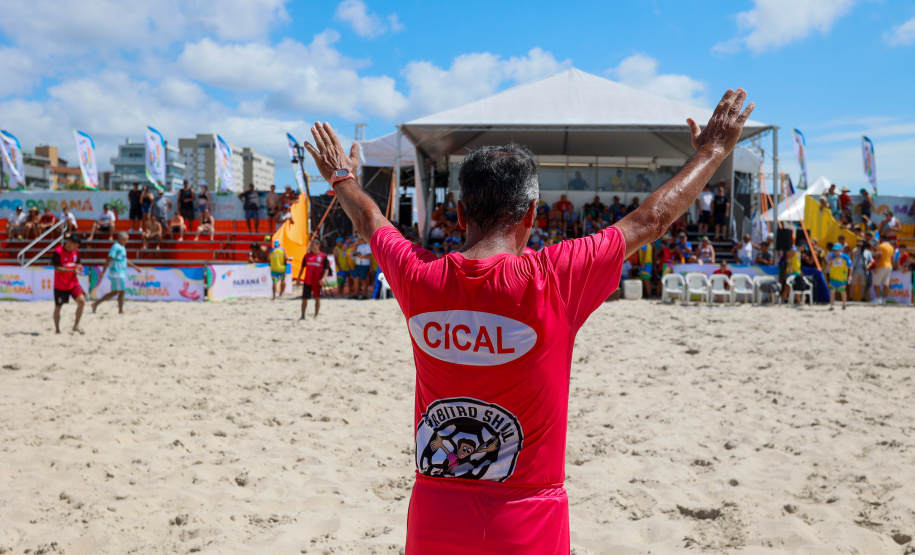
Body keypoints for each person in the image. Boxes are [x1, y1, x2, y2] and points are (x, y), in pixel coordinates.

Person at [301, 87, 754, 550]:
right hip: (529, 512)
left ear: (458, 214)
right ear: (533, 214)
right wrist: (715, 151)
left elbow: (371, 219)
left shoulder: (419, 277)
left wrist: (342, 177)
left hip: (436, 506)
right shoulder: (553, 278)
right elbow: (650, 221)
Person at [92, 232, 141, 314]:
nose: (127, 241)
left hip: (120, 272)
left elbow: (125, 259)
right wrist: (103, 272)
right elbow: (109, 259)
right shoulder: (115, 247)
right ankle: (121, 311)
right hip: (117, 272)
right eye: (126, 239)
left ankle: (96, 304)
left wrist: (135, 267)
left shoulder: (122, 247)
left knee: (114, 292)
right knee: (122, 291)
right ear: (120, 239)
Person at [52, 234, 86, 334]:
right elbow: (56, 268)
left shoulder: (76, 252)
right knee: (58, 307)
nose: (76, 248)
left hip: (73, 283)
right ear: (69, 242)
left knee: (82, 301)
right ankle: (57, 330)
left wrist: (79, 266)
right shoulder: (57, 252)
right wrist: (72, 270)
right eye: (75, 246)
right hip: (60, 285)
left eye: (77, 246)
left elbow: (78, 262)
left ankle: (76, 325)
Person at [296, 238, 331, 319]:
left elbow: (327, 268)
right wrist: (298, 279)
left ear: (318, 245)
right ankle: (302, 315)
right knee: (304, 298)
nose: (310, 246)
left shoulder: (323, 256)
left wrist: (324, 278)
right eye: (310, 245)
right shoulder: (307, 256)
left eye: (312, 245)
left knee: (317, 298)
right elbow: (302, 268)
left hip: (318, 281)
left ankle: (316, 315)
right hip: (307, 281)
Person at [825, 243, 852, 310]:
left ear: (840, 249)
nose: (834, 251)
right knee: (832, 292)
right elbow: (827, 268)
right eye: (834, 250)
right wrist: (829, 261)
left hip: (842, 278)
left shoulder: (845, 256)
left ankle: (844, 304)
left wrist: (850, 275)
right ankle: (832, 305)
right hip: (833, 277)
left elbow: (850, 267)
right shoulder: (831, 256)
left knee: (842, 292)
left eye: (836, 250)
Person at [874, 239, 895, 304]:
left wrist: (876, 267)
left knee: (876, 284)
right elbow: (892, 258)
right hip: (889, 266)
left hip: (881, 266)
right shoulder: (891, 247)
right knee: (885, 284)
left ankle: (878, 299)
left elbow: (879, 257)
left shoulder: (881, 246)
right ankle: (884, 299)